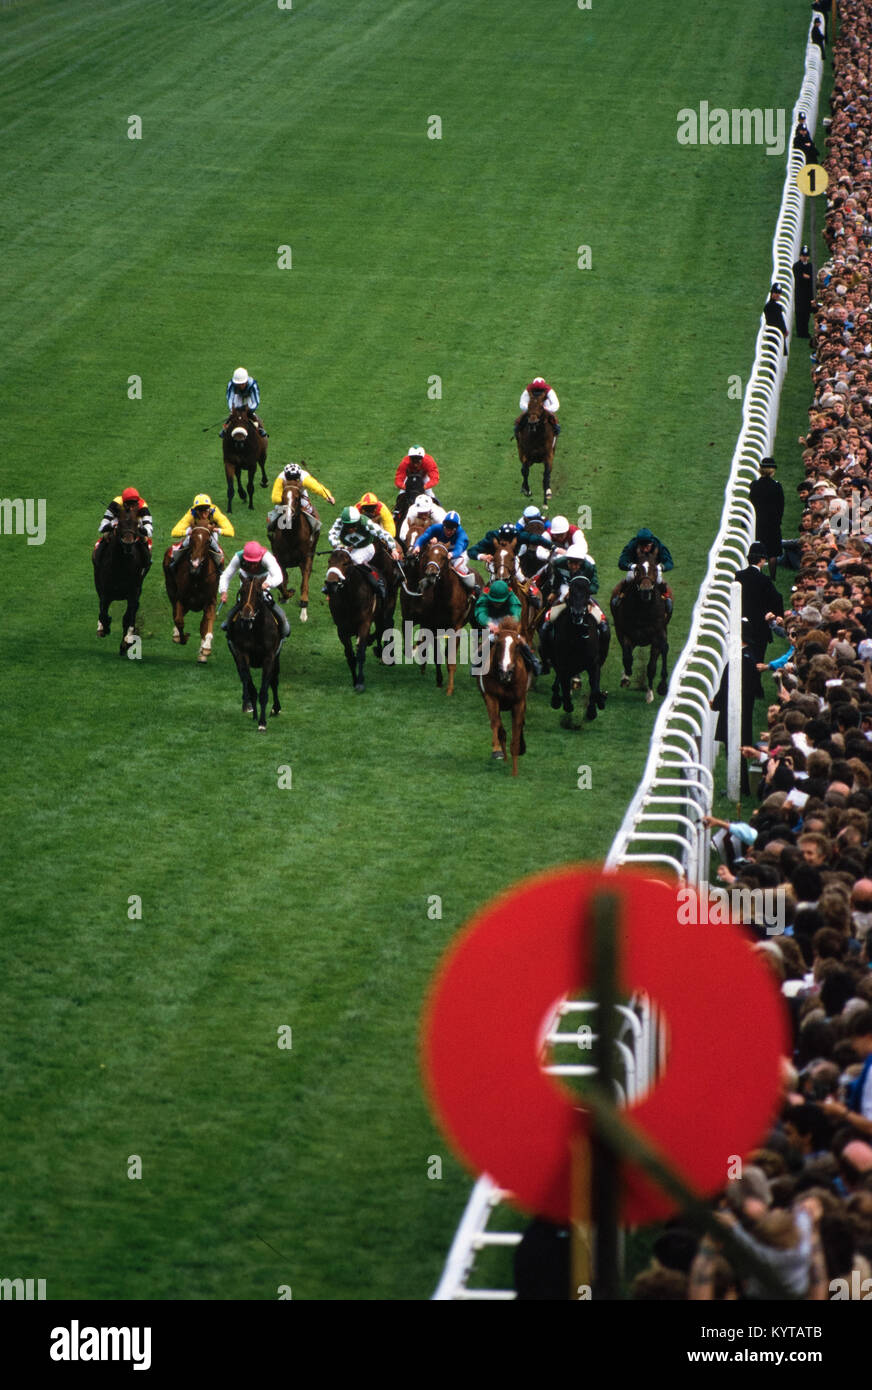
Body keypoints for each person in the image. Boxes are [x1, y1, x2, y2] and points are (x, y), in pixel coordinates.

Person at [539, 540, 609, 652]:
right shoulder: (558, 563)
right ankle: (547, 628)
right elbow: (557, 579)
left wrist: (580, 590)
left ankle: (602, 625)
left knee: (599, 617)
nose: (573, 566)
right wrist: (554, 591)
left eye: (577, 563)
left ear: (582, 562)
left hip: (582, 591)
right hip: (565, 587)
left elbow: (594, 586)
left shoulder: (589, 567)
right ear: (567, 560)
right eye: (571, 562)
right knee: (550, 615)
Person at [327, 505, 400, 599]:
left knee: (354, 560)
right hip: (348, 548)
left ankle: (377, 582)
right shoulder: (340, 521)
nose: (351, 529)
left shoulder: (366, 522)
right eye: (348, 526)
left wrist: (393, 549)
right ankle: (330, 585)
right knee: (336, 559)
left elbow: (384, 534)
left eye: (353, 526)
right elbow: (331, 534)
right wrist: (338, 545)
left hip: (366, 547)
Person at [219, 540, 289, 637]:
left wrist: (268, 583)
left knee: (264, 600)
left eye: (255, 562)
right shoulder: (238, 558)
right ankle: (229, 625)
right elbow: (226, 575)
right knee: (243, 600)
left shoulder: (267, 558)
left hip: (263, 579)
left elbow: (279, 576)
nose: (252, 566)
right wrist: (223, 591)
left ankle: (283, 624)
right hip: (246, 577)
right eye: (249, 562)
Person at [473, 579, 541, 673]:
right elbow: (480, 613)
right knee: (491, 638)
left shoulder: (512, 597)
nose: (497, 604)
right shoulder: (484, 597)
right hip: (492, 619)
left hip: (508, 619)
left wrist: (509, 626)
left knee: (517, 637)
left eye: (500, 602)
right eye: (494, 601)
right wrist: (490, 624)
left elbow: (516, 613)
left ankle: (533, 660)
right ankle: (477, 661)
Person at [735, 541, 784, 661]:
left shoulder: (739, 575)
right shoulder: (765, 579)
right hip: (759, 626)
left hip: (740, 622)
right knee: (757, 660)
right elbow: (777, 598)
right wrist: (778, 615)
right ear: (762, 560)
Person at [411, 509, 479, 591]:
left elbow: (458, 549)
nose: (448, 532)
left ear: (457, 529)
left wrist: (452, 554)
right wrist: (417, 546)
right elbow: (423, 537)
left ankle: (472, 588)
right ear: (443, 525)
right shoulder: (436, 528)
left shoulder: (462, 535)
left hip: (457, 555)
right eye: (446, 528)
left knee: (459, 566)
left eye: (452, 529)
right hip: (442, 553)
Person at [615, 527, 674, 617]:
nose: (645, 550)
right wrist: (631, 566)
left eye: (647, 546)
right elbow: (622, 562)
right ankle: (620, 596)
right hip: (638, 569)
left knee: (659, 580)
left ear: (651, 543)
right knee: (630, 577)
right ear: (638, 545)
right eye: (642, 547)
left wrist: (661, 567)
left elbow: (669, 562)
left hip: (653, 570)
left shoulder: (658, 545)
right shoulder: (632, 545)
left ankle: (666, 598)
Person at [267, 462, 335, 537]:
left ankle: (314, 530)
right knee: (277, 509)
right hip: (286, 495)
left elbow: (317, 487)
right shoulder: (281, 478)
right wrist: (284, 503)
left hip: (300, 494)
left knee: (309, 509)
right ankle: (271, 529)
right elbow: (275, 497)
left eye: (295, 480)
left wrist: (328, 496)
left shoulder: (305, 478)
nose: (292, 482)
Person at [169, 493, 234, 570]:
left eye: (206, 512)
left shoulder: (215, 512)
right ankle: (175, 562)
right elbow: (174, 532)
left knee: (217, 550)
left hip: (210, 533)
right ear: (196, 511)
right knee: (186, 542)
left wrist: (215, 529)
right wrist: (188, 532)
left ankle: (220, 569)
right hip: (194, 533)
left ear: (209, 510)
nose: (203, 515)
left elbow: (231, 532)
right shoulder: (191, 514)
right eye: (200, 512)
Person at [748, 458, 785, 579]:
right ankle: (773, 576)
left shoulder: (754, 485)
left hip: (758, 521)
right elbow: (781, 505)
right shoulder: (776, 486)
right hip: (773, 522)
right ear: (772, 470)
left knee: (759, 547)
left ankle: (759, 574)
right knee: (772, 551)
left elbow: (751, 502)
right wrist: (778, 520)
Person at [97, 487, 153, 555]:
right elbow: (102, 526)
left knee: (145, 539)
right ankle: (98, 558)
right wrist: (111, 525)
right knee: (106, 535)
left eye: (133, 504)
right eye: (129, 504)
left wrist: (141, 528)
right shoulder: (116, 503)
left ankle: (146, 562)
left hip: (136, 522)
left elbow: (149, 529)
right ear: (123, 502)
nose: (131, 508)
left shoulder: (143, 506)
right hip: (119, 521)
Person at [221, 366, 267, 438]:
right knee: (233, 413)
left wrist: (249, 410)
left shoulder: (253, 385)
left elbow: (256, 401)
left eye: (242, 384)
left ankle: (260, 428)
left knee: (250, 414)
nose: (240, 386)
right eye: (238, 384)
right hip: (238, 396)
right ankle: (225, 428)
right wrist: (232, 410)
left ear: (246, 381)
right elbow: (230, 398)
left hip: (248, 396)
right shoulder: (231, 385)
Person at [792, 245, 815, 339]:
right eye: (803, 255)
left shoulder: (810, 266)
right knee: (799, 312)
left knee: (806, 314)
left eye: (806, 255)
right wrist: (805, 277)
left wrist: (806, 277)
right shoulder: (796, 265)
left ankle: (805, 332)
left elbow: (811, 278)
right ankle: (800, 332)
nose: (804, 257)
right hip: (800, 293)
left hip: (809, 293)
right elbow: (800, 277)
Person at [763, 282, 789, 355]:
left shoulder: (771, 306)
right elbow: (779, 321)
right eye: (776, 293)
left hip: (775, 333)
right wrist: (784, 331)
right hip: (775, 333)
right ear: (772, 293)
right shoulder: (774, 307)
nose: (778, 295)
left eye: (779, 293)